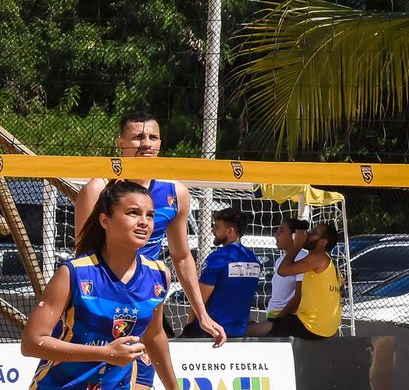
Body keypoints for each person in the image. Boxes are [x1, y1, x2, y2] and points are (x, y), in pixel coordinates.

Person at [74, 112, 225, 389]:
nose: (146, 143)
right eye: (137, 137)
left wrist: (202, 314)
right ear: (120, 142)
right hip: (100, 308)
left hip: (144, 302)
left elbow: (181, 257)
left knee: (144, 377)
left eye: (152, 137)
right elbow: (82, 258)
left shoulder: (175, 191)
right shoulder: (98, 188)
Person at [24, 180, 179, 390]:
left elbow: (154, 335)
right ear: (105, 220)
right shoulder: (74, 272)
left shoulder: (159, 275)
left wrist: (173, 387)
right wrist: (106, 353)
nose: (144, 222)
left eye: (150, 215)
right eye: (133, 213)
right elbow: (32, 343)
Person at [183, 207, 261, 340]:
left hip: (211, 332)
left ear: (230, 231)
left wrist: (189, 327)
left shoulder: (218, 258)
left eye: (217, 227)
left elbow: (200, 299)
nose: (213, 230)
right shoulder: (253, 259)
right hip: (239, 332)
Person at [269, 221, 343, 340]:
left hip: (311, 326)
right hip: (327, 329)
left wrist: (297, 245)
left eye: (313, 233)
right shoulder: (330, 264)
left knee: (258, 329)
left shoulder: (319, 257)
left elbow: (282, 271)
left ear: (323, 242)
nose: (308, 234)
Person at [246, 217, 306, 337]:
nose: (276, 234)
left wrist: (279, 319)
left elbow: (299, 296)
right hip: (272, 316)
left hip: (284, 319)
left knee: (242, 332)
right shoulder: (280, 260)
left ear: (294, 236)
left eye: (282, 230)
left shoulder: (302, 257)